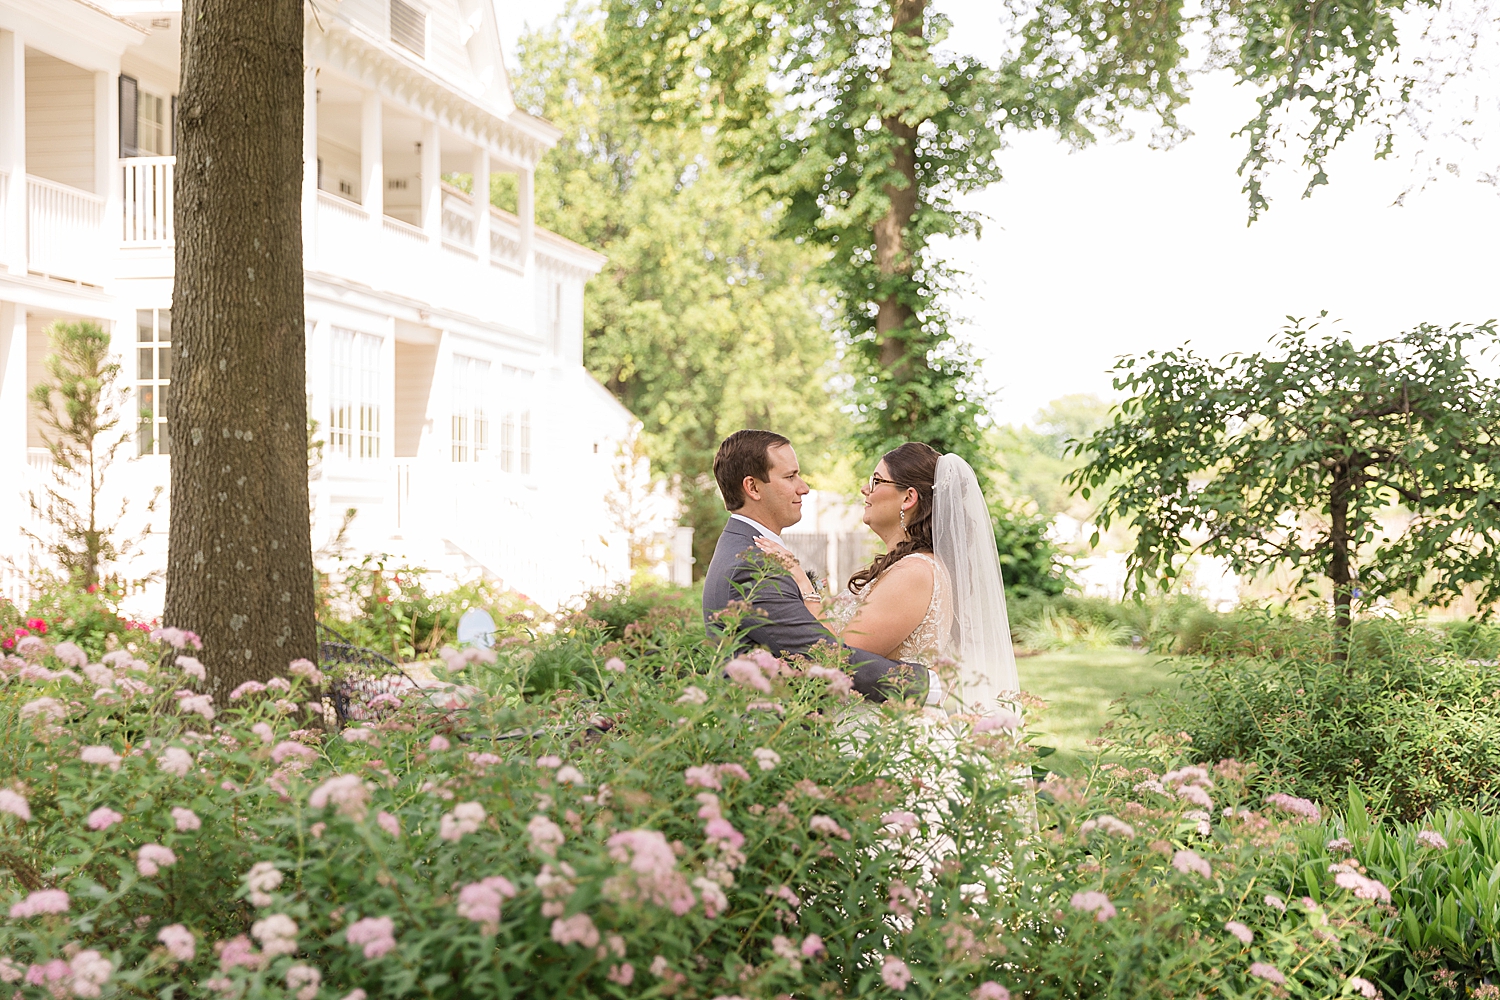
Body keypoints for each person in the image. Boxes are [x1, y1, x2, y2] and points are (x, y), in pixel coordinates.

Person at [756, 441, 1019, 717]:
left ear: (908, 498)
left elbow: (836, 659)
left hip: (886, 737)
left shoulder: (914, 573)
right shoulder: (904, 567)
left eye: (877, 480)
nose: (865, 489)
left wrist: (799, 577)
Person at [700, 429, 935, 704]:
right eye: (790, 477)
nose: (804, 487)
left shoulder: (751, 552)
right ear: (752, 488)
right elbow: (822, 657)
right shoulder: (752, 566)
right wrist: (931, 684)